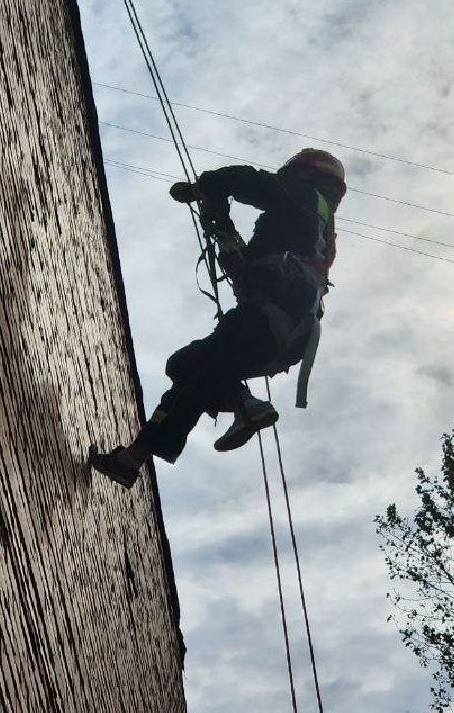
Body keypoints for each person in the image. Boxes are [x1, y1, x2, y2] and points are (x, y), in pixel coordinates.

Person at [91, 149, 346, 488]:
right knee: (191, 368)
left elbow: (247, 180)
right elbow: (256, 267)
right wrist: (226, 234)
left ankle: (246, 406)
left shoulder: (304, 197)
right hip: (285, 336)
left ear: (307, 176)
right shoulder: (312, 233)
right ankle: (131, 459)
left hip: (267, 321)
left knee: (196, 365)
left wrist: (204, 188)